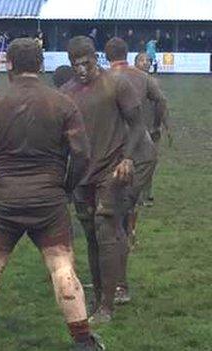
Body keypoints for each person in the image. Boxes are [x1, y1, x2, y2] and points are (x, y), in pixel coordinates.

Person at [0, 38, 103, 350]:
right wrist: (65, 188)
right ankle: (83, 341)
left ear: (9, 65)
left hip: (2, 200)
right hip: (48, 200)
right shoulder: (62, 104)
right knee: (62, 268)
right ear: (42, 64)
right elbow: (82, 155)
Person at [60, 36, 144, 325]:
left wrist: (128, 158)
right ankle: (98, 297)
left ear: (96, 58)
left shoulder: (117, 84)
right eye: (75, 64)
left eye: (86, 62)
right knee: (92, 236)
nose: (81, 69)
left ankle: (107, 305)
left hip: (112, 169)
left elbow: (137, 125)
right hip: (82, 174)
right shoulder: (66, 93)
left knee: (106, 229)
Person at [105, 37, 167, 303]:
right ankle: (117, 277)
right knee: (123, 207)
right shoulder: (142, 77)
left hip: (117, 153)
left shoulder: (104, 80)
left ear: (105, 56)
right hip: (143, 153)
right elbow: (161, 100)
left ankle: (118, 284)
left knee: (113, 217)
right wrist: (153, 128)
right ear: (128, 54)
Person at [134, 52, 171, 207]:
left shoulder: (154, 82)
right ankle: (136, 196)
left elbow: (162, 105)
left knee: (150, 163)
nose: (146, 63)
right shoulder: (130, 82)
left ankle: (146, 194)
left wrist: (166, 125)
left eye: (148, 60)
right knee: (138, 163)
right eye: (142, 60)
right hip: (137, 130)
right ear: (136, 63)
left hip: (153, 128)